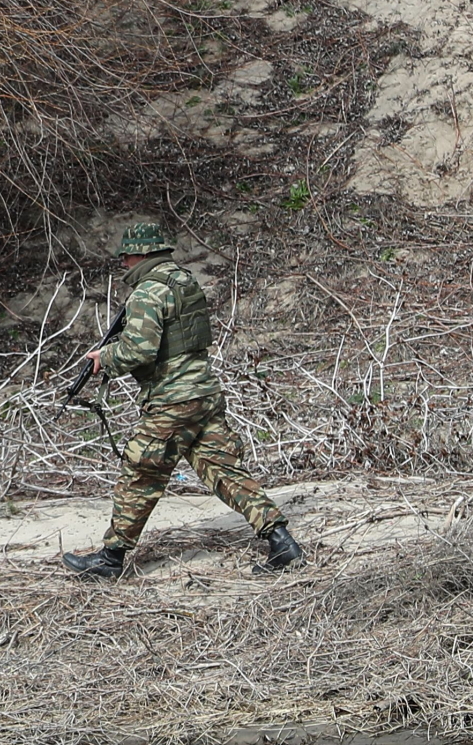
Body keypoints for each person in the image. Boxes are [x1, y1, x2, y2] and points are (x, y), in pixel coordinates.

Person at [62, 223, 306, 578]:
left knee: (140, 473)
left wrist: (106, 358)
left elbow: (140, 350)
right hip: (203, 394)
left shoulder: (148, 292)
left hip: (173, 402)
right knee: (225, 471)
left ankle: (110, 560)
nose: (125, 264)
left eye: (127, 257)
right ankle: (282, 542)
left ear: (142, 254)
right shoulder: (184, 282)